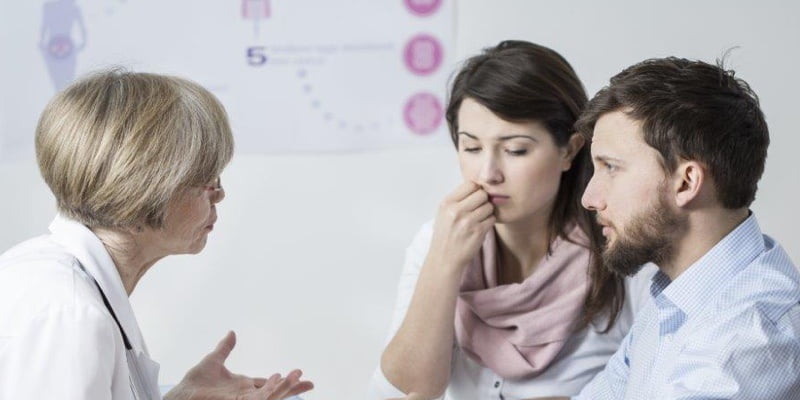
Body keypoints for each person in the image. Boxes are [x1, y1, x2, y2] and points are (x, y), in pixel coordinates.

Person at [0, 70, 314, 400]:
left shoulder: (61, 278)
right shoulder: (71, 315)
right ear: (140, 192)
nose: (219, 196)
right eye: (207, 181)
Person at [370, 41, 655, 400]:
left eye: (515, 150)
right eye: (471, 147)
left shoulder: (622, 252)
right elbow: (404, 393)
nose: (488, 173)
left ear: (569, 149)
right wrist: (444, 264)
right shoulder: (436, 241)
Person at [541, 57, 800, 399]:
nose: (590, 198)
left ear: (686, 182)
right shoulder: (678, 299)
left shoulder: (750, 337)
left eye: (611, 168)